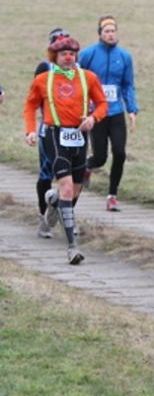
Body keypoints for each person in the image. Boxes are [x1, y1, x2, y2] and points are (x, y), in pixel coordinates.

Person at [23, 36, 108, 264]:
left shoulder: (88, 77)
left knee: (75, 191)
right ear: (55, 57)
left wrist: (93, 118)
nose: (68, 57)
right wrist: (31, 130)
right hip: (54, 134)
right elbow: (30, 105)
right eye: (63, 54)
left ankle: (52, 203)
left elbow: (102, 104)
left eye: (72, 53)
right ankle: (72, 247)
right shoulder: (43, 80)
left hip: (79, 136)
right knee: (68, 189)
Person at [79, 15, 139, 212]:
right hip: (96, 114)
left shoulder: (124, 57)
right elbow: (79, 81)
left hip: (115, 112)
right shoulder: (88, 54)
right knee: (100, 157)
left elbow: (128, 85)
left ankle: (112, 195)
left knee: (120, 153)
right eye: (107, 31)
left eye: (113, 31)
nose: (111, 34)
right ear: (100, 34)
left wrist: (131, 109)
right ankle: (88, 166)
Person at [33, 28, 71, 239]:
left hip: (73, 131)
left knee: (73, 177)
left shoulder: (78, 70)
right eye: (58, 43)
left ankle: (67, 216)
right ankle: (43, 216)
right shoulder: (44, 68)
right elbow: (35, 98)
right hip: (49, 129)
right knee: (46, 173)